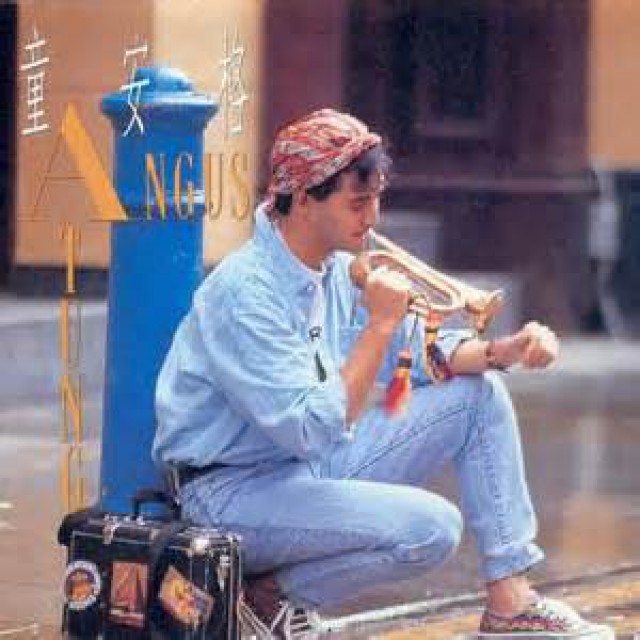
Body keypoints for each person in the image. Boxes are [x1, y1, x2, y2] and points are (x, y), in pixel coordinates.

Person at [153, 109, 613, 639]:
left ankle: (511, 603)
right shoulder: (245, 293)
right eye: (357, 202)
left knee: (479, 396)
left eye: (376, 199)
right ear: (302, 198)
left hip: (302, 470)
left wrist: (505, 350)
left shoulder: (330, 267)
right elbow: (310, 429)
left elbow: (420, 351)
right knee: (431, 528)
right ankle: (267, 597)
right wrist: (379, 324)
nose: (372, 218)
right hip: (228, 494)